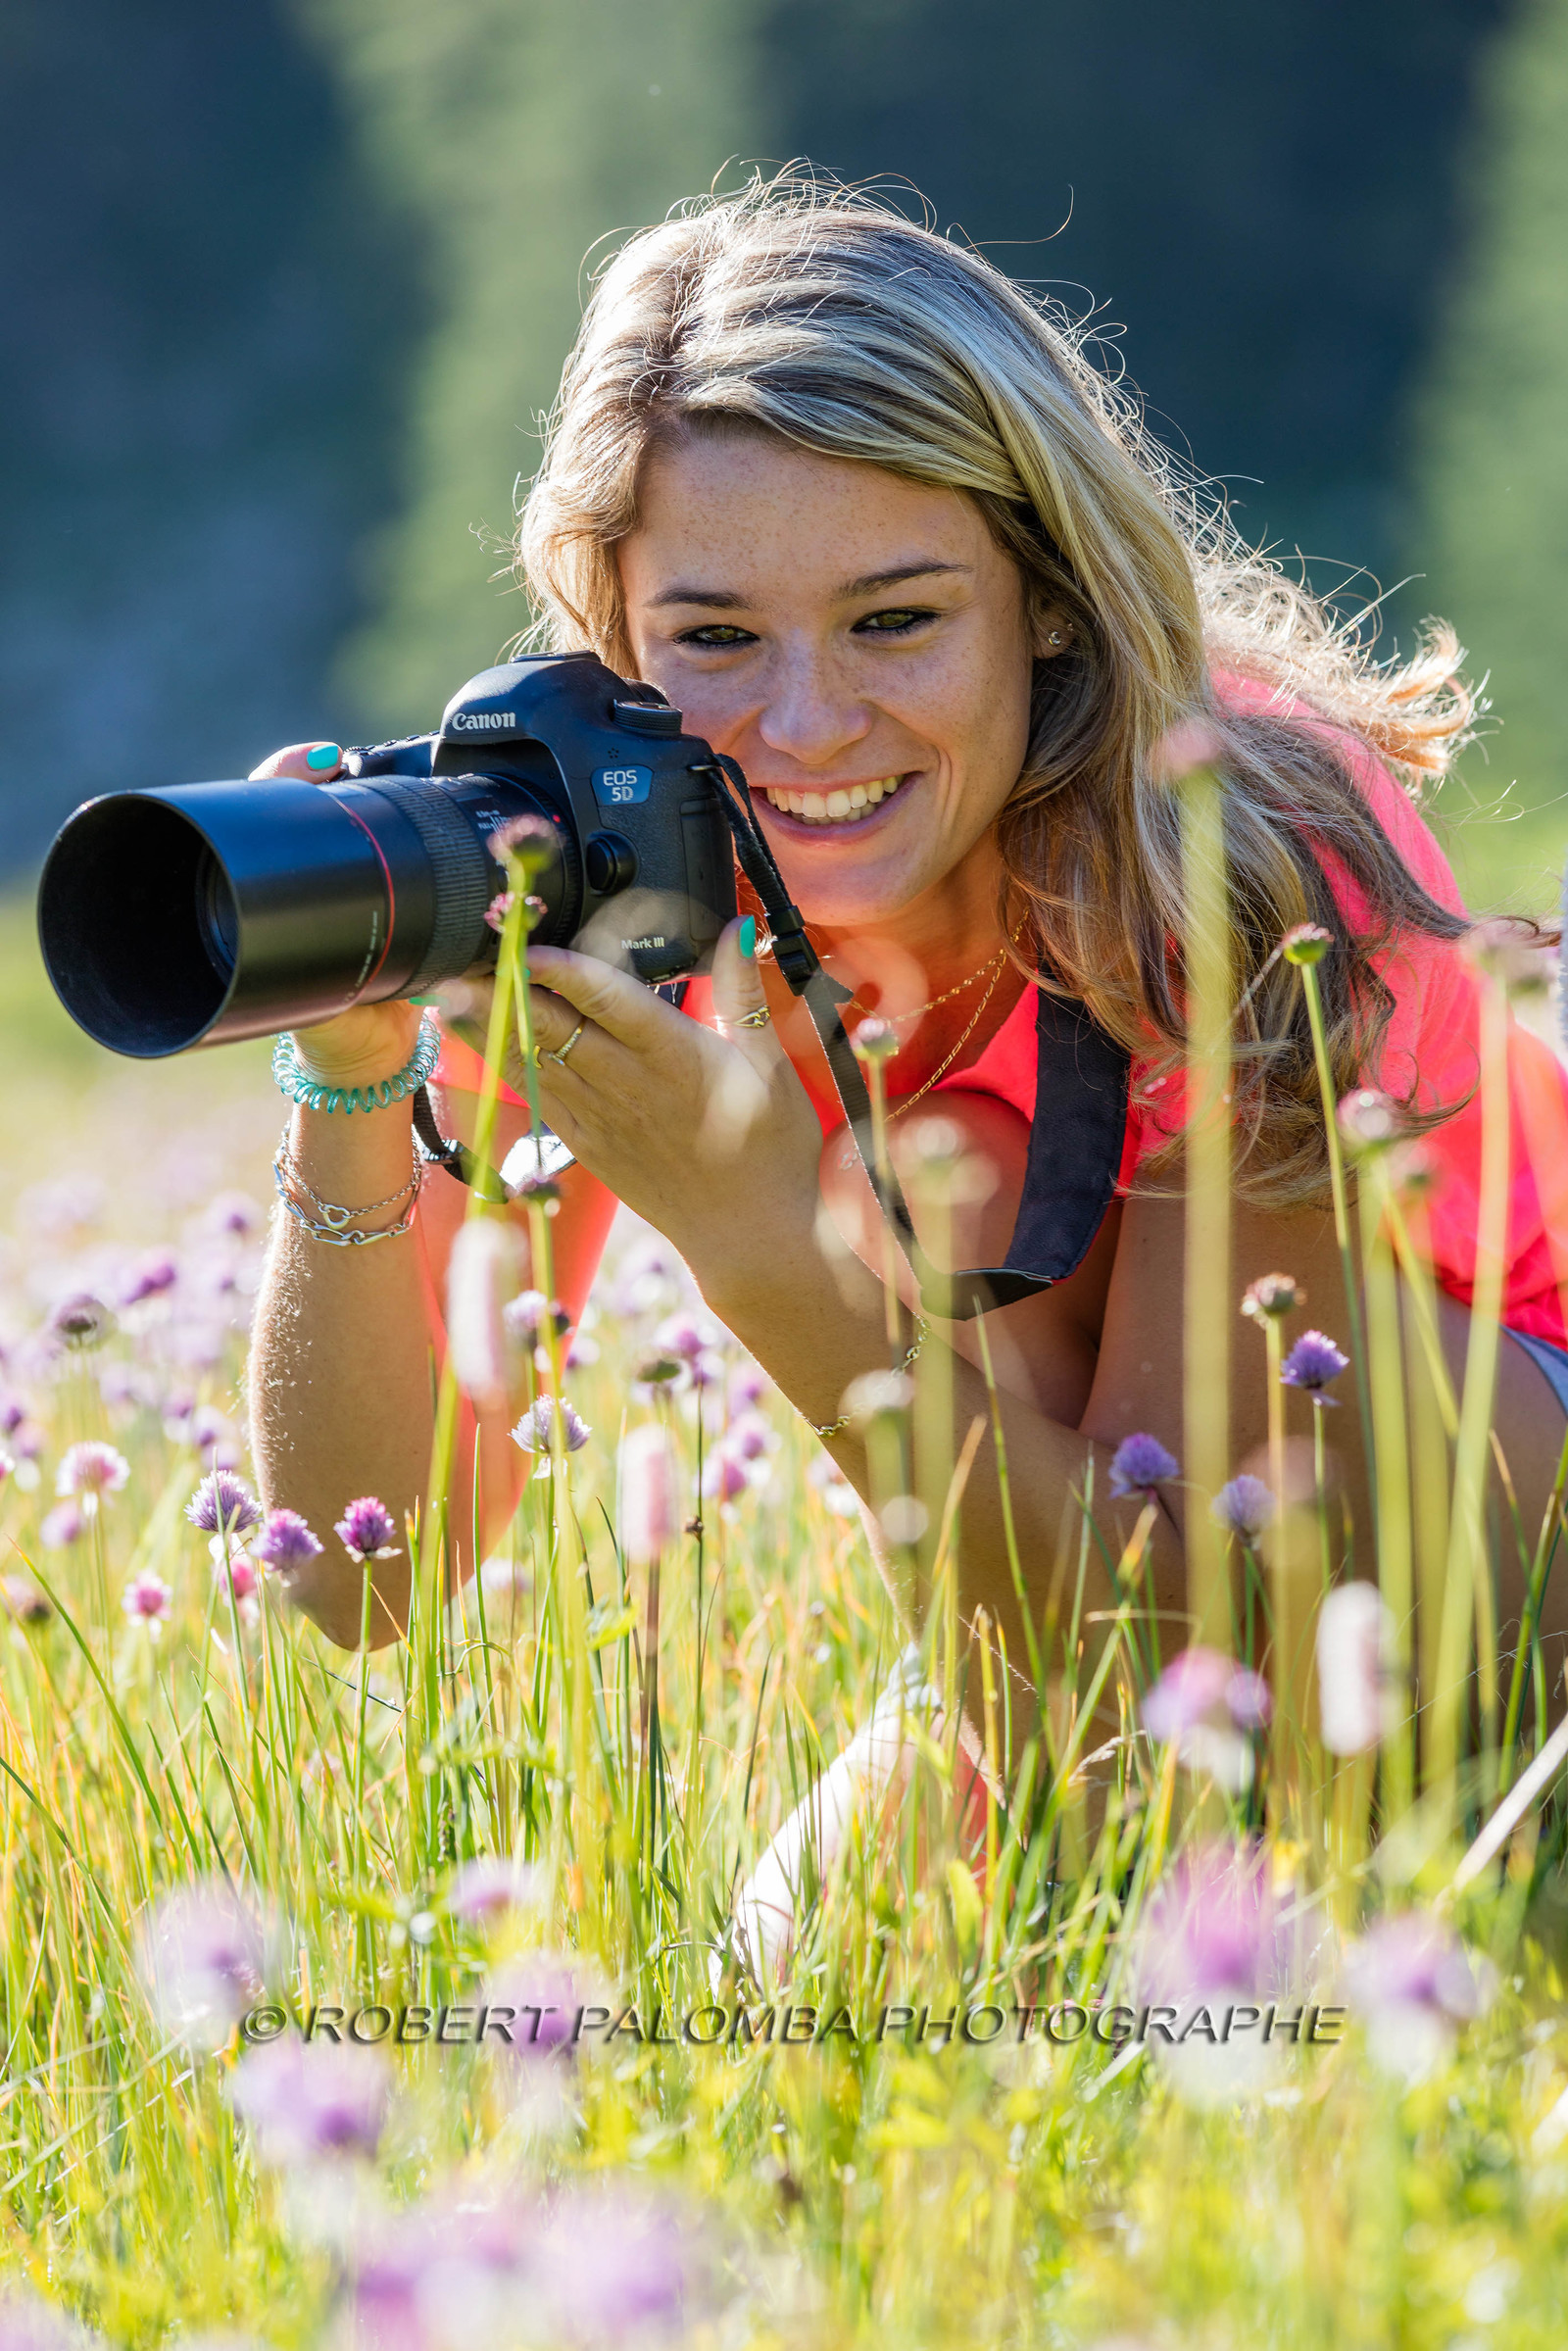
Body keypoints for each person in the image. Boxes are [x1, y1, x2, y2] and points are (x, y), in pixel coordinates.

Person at [248, 180, 1568, 1730]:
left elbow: (1172, 1647)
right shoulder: (595, 860)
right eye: (717, 639)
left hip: (1469, 1484)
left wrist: (759, 1245)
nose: (805, 729)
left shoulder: (1236, 835)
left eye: (895, 622)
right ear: (608, 635)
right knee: (786, 1971)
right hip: (1051, 1613)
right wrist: (346, 1078)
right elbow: (364, 1578)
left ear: (1053, 606)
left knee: (969, 1183)